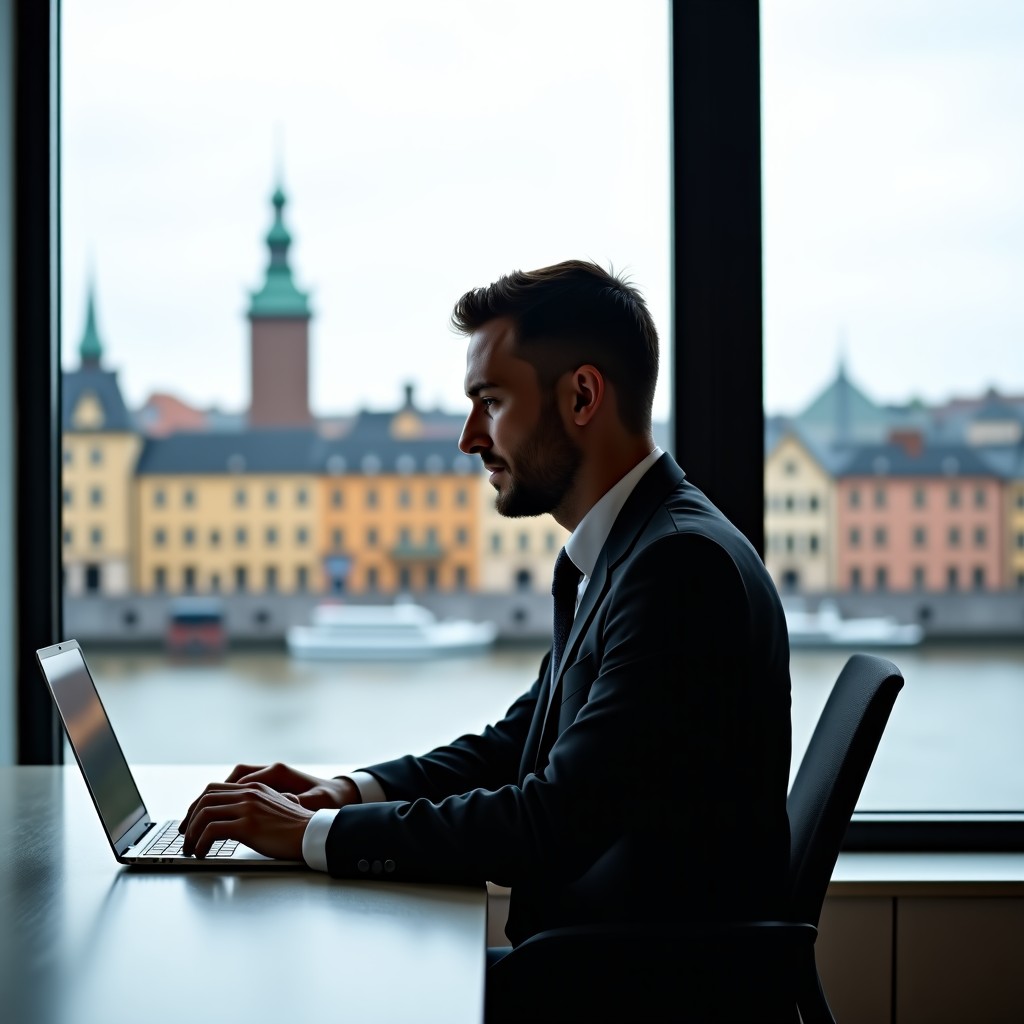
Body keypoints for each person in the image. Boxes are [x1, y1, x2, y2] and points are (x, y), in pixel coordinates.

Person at [181, 259, 791, 959]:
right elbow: (517, 747)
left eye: (491, 402)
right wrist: (345, 794)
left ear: (582, 396)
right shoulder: (626, 551)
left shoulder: (679, 568)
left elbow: (551, 820)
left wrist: (313, 837)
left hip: (631, 986)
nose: (470, 437)